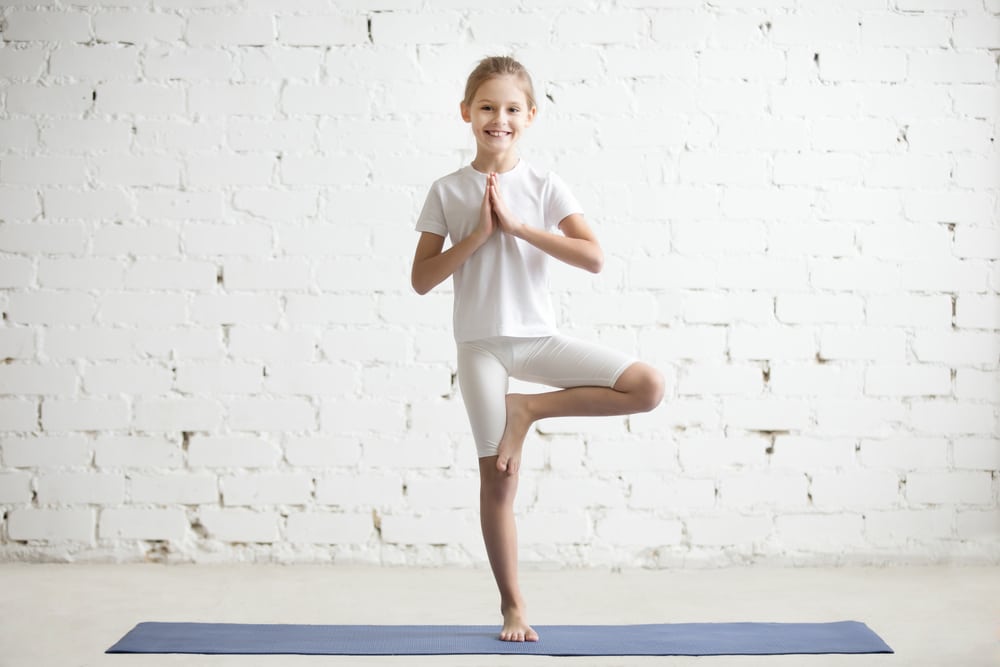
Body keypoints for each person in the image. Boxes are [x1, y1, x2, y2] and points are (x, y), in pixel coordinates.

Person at [410, 56, 664, 643]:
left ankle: (529, 409)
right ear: (466, 113)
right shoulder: (447, 189)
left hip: (538, 340)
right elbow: (422, 279)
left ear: (530, 116)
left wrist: (520, 227)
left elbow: (594, 257)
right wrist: (477, 234)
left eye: (511, 109)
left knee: (647, 385)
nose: (499, 118)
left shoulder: (545, 184)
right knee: (498, 480)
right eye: (487, 107)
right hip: (481, 347)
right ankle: (514, 607)